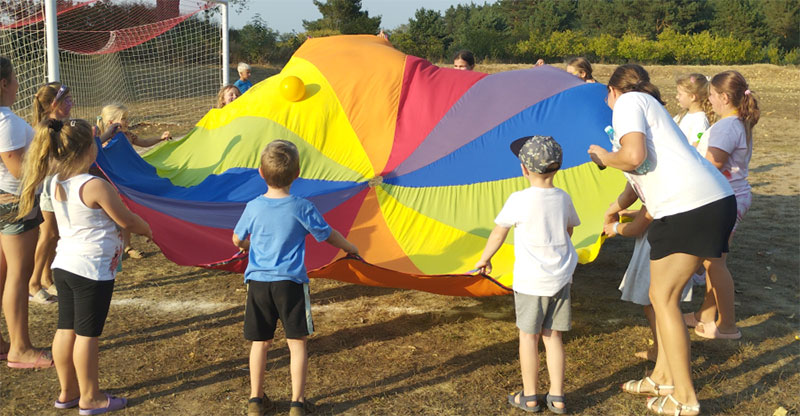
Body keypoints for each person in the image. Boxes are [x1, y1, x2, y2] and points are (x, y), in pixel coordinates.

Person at [588, 64, 736, 416]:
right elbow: (641, 172)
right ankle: (663, 378)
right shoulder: (647, 106)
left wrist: (603, 157)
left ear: (612, 91)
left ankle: (685, 397)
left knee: (663, 298)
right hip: (701, 203)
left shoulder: (626, 103)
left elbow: (632, 158)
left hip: (690, 207)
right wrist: (618, 205)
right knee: (659, 297)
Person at [16, 118, 152, 414]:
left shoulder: (54, 182)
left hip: (64, 266)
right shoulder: (94, 186)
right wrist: (149, 229)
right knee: (88, 335)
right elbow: (126, 219)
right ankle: (91, 397)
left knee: (66, 329)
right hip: (91, 270)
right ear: (88, 150)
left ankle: (68, 392)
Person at [232, 140, 358, 416]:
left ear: (261, 173)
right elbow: (327, 235)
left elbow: (238, 238)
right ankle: (297, 403)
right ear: (298, 174)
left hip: (259, 285)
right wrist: (350, 248)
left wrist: (247, 247)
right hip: (290, 283)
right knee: (297, 342)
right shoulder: (302, 207)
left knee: (260, 343)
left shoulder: (253, 207)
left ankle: (255, 400)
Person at [474, 135, 579, 415]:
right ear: (558, 167)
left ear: (524, 168)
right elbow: (569, 230)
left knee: (528, 337)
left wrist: (485, 259)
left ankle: (530, 397)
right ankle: (557, 397)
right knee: (552, 337)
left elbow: (499, 231)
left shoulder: (518, 200)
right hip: (560, 279)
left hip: (531, 282)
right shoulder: (563, 198)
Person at [685, 71, 759, 341]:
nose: (710, 100)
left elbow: (713, 163)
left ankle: (727, 325)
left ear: (725, 97)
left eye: (713, 96)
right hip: (730, 196)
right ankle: (705, 316)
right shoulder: (734, 122)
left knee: (715, 263)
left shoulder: (727, 127)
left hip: (726, 198)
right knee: (711, 261)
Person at [0, 57, 54, 368]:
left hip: (7, 203)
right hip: (15, 206)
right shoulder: (5, 122)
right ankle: (20, 349)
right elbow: (19, 169)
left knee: (4, 275)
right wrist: (52, 169)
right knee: (18, 279)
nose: (20, 83)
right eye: (15, 77)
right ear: (4, 83)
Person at [603, 207, 693, 363]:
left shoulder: (656, 186)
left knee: (657, 305)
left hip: (659, 246)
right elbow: (652, 210)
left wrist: (615, 227)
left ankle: (664, 355)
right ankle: (667, 355)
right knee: (667, 303)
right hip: (681, 239)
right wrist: (630, 213)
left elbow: (638, 226)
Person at [96, 103, 169, 260]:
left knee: (129, 210)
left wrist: (159, 138)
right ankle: (121, 246)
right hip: (114, 182)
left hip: (131, 179)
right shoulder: (103, 141)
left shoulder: (128, 136)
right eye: (124, 119)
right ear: (111, 123)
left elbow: (143, 142)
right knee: (117, 214)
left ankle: (128, 245)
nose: (127, 122)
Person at [28, 81, 75, 305]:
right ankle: (34, 282)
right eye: (66, 100)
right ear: (52, 104)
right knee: (47, 235)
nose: (71, 103)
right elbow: (47, 161)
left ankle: (46, 277)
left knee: (55, 235)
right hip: (46, 187)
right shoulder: (46, 128)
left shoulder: (59, 124)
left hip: (55, 185)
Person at [673, 73, 713, 147]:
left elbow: (695, 148)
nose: (677, 97)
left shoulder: (700, 121)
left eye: (680, 94)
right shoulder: (681, 115)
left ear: (692, 97)